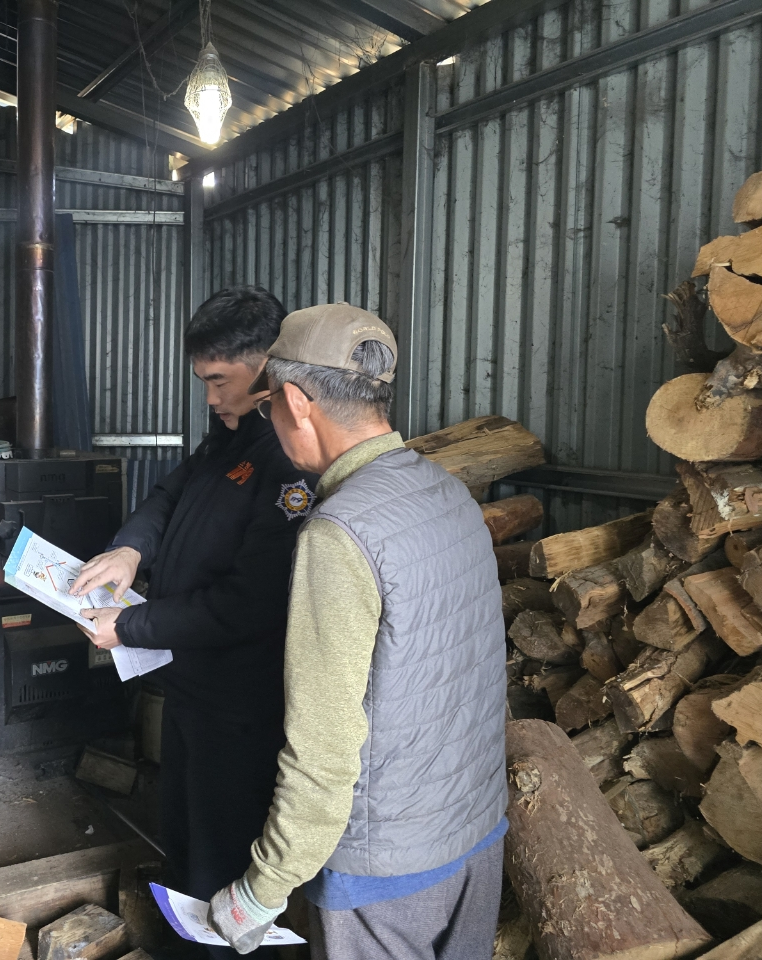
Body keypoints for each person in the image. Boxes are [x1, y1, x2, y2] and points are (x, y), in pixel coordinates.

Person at [208, 303, 508, 960]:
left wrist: (264, 888)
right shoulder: (447, 492)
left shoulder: (340, 533)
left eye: (270, 407)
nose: (272, 422)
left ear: (296, 402)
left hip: (387, 865)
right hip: (477, 829)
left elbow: (324, 747)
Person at [70, 286, 319, 953]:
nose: (209, 398)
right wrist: (131, 548)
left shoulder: (288, 459)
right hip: (190, 685)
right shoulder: (231, 434)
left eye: (219, 381)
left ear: (267, 366)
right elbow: (171, 491)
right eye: (203, 381)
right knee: (182, 838)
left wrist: (130, 628)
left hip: (241, 706)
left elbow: (248, 604)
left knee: (221, 859)